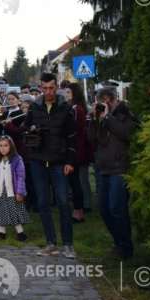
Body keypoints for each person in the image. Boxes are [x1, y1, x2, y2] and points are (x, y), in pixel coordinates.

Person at [23, 72, 77, 258]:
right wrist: (31, 131)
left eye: (51, 88)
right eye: (45, 88)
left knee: (63, 202)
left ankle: (68, 244)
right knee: (43, 203)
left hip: (59, 162)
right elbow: (25, 130)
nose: (48, 92)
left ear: (56, 88)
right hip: (38, 161)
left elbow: (72, 137)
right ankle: (51, 242)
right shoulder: (34, 107)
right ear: (40, 88)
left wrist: (70, 161)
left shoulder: (65, 108)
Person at [87, 87, 138, 259]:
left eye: (103, 102)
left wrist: (108, 117)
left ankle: (126, 247)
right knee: (104, 209)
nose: (101, 105)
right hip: (103, 168)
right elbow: (91, 138)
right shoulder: (99, 116)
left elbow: (126, 134)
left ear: (111, 100)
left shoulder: (126, 113)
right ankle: (118, 243)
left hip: (119, 168)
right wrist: (94, 119)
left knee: (117, 208)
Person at [0, 135, 29, 241]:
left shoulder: (17, 159)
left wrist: (19, 192)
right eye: (0, 146)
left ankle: (21, 233)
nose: (3, 148)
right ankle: (1, 234)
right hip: (0, 192)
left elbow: (21, 177)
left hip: (12, 192)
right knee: (0, 213)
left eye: (5, 145)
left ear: (11, 146)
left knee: (14, 212)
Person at [65, 82, 90, 222]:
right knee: (74, 182)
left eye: (68, 92)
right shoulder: (74, 108)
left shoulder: (76, 109)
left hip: (75, 149)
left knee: (76, 183)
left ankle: (78, 211)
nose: (66, 95)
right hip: (75, 148)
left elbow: (74, 129)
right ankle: (78, 209)